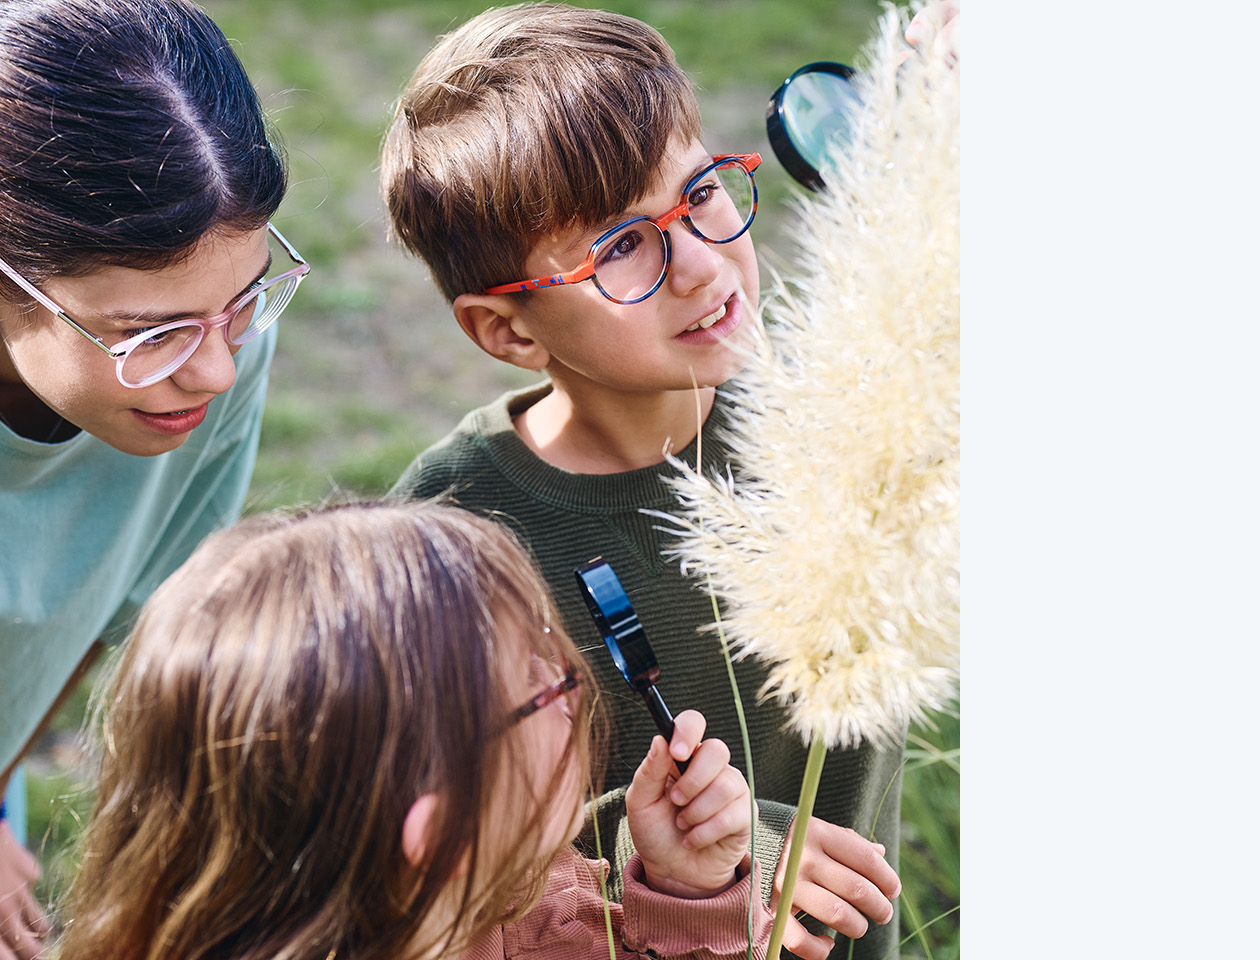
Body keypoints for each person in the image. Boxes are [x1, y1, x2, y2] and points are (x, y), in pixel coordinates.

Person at [379, 6, 900, 958]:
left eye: (700, 191)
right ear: (508, 331)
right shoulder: (452, 535)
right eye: (620, 246)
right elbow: (445, 865)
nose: (701, 265)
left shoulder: (845, 410)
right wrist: (696, 854)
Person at [55, 500, 773, 960]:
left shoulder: (522, 899)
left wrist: (687, 894)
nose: (575, 679)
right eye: (540, 686)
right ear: (444, 839)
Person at [0, 1, 307, 956]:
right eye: (151, 332)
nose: (215, 368)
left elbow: (116, 606)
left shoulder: (211, 359)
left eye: (244, 299)